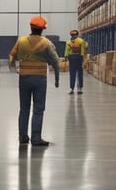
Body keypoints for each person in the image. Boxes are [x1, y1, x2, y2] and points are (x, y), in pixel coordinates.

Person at [9, 15, 60, 146]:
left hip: (24, 79)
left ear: (31, 28)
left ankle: (23, 137)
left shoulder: (21, 40)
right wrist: (57, 79)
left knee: (24, 108)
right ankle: (36, 138)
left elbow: (12, 56)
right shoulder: (46, 43)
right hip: (39, 80)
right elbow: (55, 61)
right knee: (38, 108)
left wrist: (14, 68)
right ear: (42, 29)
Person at [64, 29, 88, 94]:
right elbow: (67, 50)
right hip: (72, 58)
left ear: (77, 35)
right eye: (72, 35)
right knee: (72, 74)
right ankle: (72, 88)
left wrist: (82, 57)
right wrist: (66, 56)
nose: (73, 36)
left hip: (78, 58)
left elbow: (85, 46)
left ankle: (79, 88)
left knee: (79, 74)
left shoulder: (81, 41)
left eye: (74, 35)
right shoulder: (68, 42)